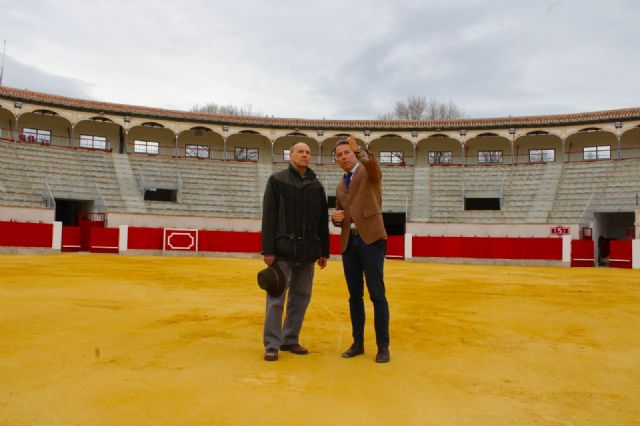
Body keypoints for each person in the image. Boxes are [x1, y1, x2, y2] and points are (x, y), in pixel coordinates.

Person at [261, 141, 329, 361]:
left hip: (308, 251)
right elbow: (269, 216)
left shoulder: (316, 186)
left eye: (308, 152)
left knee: (301, 296)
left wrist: (324, 251)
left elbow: (321, 221)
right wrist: (268, 249)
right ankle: (272, 343)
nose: (305, 155)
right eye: (300, 151)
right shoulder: (277, 180)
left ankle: (290, 339)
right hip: (282, 250)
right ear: (290, 155)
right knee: (276, 296)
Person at [331, 135, 390, 363]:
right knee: (354, 296)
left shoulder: (368, 171)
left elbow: (374, 167)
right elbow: (341, 215)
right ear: (336, 160)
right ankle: (358, 343)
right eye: (339, 155)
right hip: (349, 242)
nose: (344, 157)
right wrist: (335, 219)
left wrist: (360, 152)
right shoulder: (339, 185)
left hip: (371, 240)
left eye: (347, 153)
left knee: (377, 295)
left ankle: (383, 346)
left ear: (353, 154)